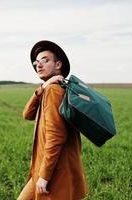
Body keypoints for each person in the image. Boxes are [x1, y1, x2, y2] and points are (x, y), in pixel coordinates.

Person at [18, 40, 88, 200]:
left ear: (58, 65)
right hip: (43, 168)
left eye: (45, 60)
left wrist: (44, 176)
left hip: (53, 172)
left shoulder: (53, 91)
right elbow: (27, 114)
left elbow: (56, 136)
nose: (38, 65)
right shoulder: (50, 89)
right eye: (36, 62)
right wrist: (41, 88)